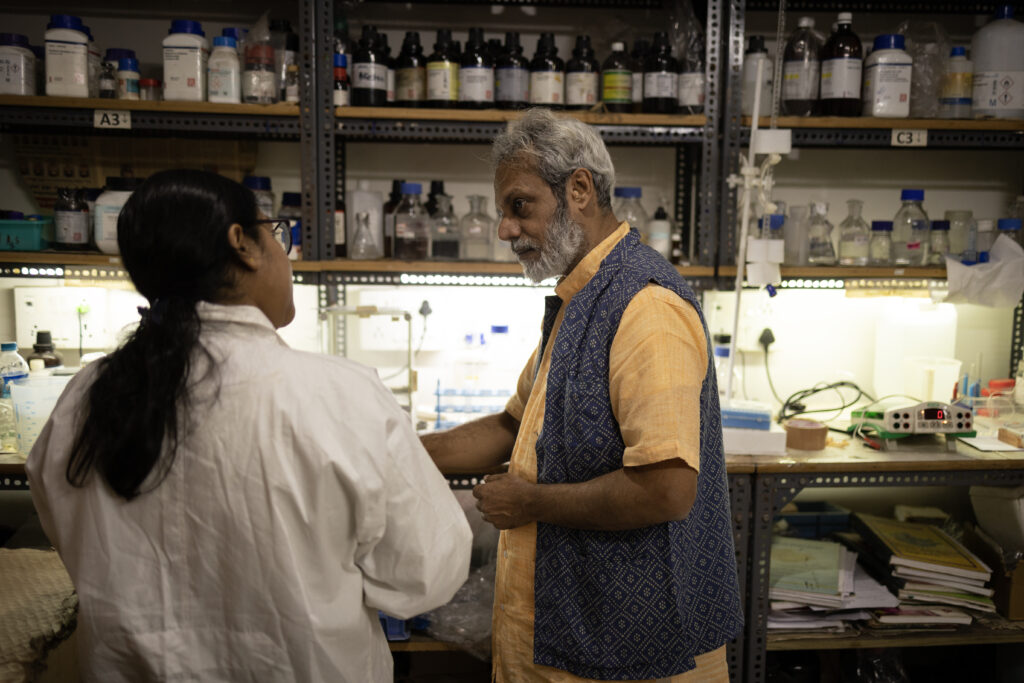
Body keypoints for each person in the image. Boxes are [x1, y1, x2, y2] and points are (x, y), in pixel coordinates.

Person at [27, 170, 472, 682]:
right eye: (275, 233)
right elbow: (423, 575)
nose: (284, 252)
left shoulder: (83, 397)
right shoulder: (338, 395)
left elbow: (70, 536)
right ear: (243, 243)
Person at [421, 109, 742, 682]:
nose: (505, 231)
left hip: (634, 654)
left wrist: (530, 502)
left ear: (578, 190)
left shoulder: (645, 308)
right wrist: (393, 447)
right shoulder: (579, 300)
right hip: (574, 636)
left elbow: (666, 490)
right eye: (503, 212)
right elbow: (508, 428)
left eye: (519, 206)